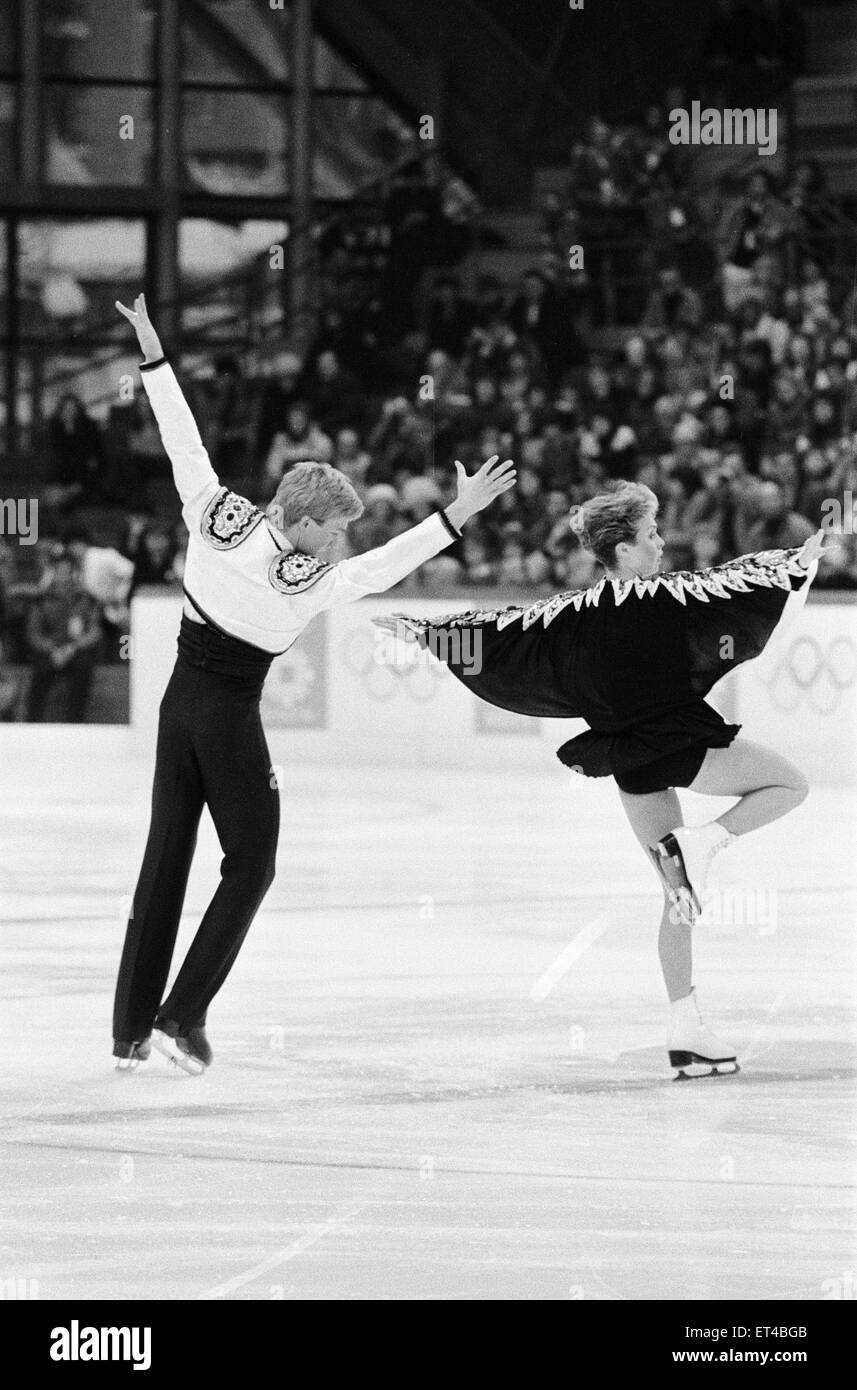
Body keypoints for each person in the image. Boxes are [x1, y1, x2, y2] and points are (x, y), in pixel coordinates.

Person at [110, 293, 516, 1074]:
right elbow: (372, 572)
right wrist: (453, 517)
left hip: (176, 704)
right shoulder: (299, 578)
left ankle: (129, 1028)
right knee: (252, 864)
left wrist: (155, 352)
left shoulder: (212, 513)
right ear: (301, 524)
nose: (335, 547)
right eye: (330, 533)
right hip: (227, 714)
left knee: (165, 859)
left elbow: (182, 444)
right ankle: (181, 1016)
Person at [376, 480, 831, 1080]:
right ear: (621, 550)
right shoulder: (674, 600)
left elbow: (500, 633)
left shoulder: (569, 618)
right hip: (682, 745)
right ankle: (706, 840)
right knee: (789, 785)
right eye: (650, 535)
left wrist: (428, 633)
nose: (662, 544)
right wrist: (798, 560)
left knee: (678, 897)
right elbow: (741, 584)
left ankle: (687, 1032)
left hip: (631, 764)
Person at [24, 550, 102, 722]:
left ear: (75, 573)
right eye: (60, 571)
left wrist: (73, 647)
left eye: (68, 572)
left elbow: (95, 631)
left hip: (76, 650)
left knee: (84, 667)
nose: (64, 576)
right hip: (50, 651)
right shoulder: (41, 599)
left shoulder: (86, 598)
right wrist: (53, 649)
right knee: (41, 669)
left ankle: (76, 723)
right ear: (52, 572)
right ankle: (32, 723)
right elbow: (33, 633)